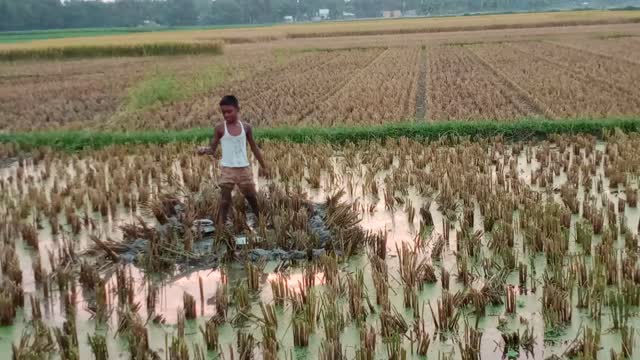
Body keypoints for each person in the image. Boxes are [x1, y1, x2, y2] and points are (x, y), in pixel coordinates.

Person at [197, 95, 268, 229]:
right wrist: (204, 150)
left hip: (244, 169)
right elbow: (212, 149)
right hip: (227, 169)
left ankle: (261, 221)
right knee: (224, 200)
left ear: (237, 109)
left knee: (252, 197)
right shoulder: (220, 128)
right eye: (223, 112)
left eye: (229, 111)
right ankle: (221, 226)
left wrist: (264, 166)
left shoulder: (246, 127)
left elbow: (254, 147)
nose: (226, 115)